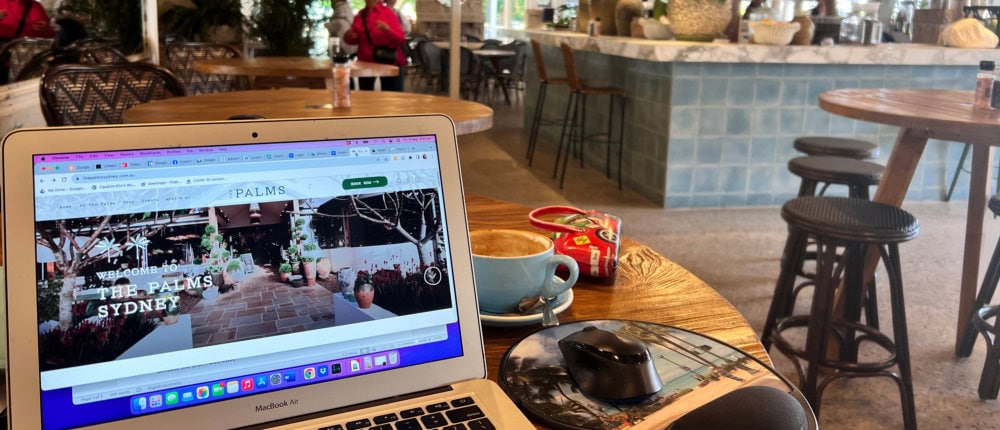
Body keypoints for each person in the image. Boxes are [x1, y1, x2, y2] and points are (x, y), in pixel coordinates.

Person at [343, 0, 407, 92]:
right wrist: (348, 36)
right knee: (366, 95)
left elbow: (400, 40)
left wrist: (388, 30)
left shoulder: (388, 13)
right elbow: (353, 40)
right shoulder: (360, 15)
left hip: (387, 61)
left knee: (389, 95)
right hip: (365, 63)